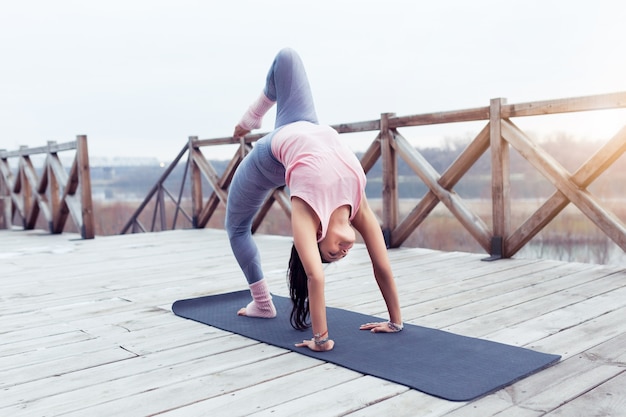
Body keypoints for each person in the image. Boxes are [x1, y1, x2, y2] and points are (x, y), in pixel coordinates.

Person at [226, 48, 403, 352]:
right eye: (339, 256)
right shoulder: (356, 203)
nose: (343, 252)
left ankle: (262, 303)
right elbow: (382, 264)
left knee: (236, 227)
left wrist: (321, 340)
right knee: (288, 58)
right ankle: (263, 303)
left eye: (332, 253)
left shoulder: (307, 210)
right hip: (304, 125)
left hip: (268, 158)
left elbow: (314, 276)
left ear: (317, 236)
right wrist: (395, 321)